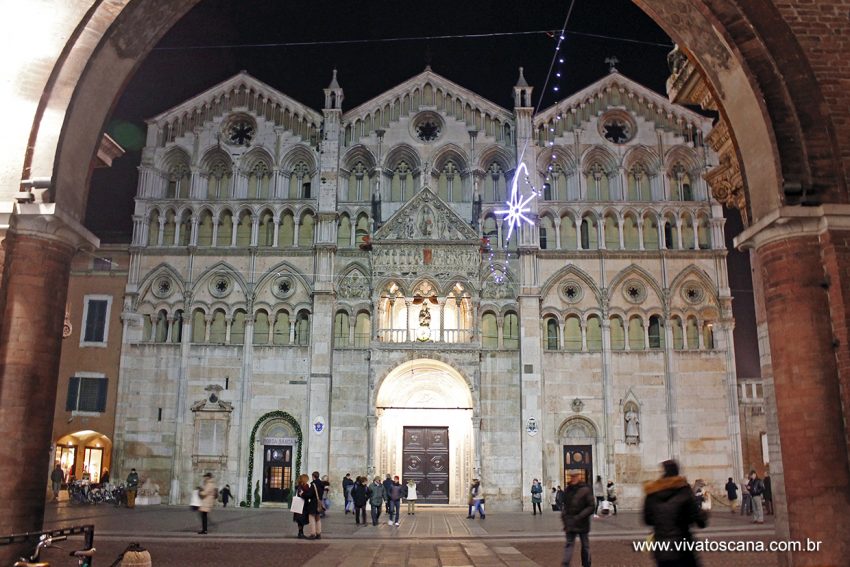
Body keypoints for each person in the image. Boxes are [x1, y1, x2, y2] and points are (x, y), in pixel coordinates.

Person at [643, 459, 707, 567]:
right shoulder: (684, 490)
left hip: (661, 548)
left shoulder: (652, 492)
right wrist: (703, 514)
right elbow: (699, 520)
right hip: (682, 548)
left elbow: (647, 520)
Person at [560, 471, 595, 567]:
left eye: (575, 476)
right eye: (572, 476)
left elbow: (591, 507)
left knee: (585, 546)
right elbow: (565, 507)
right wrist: (565, 519)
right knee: (569, 544)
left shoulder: (586, 489)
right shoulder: (568, 490)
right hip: (570, 523)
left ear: (579, 477)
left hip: (582, 523)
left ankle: (586, 564)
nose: (573, 478)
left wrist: (579, 516)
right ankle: (566, 564)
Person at [293, 474, 310, 538]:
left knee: (300, 519)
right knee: (301, 519)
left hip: (301, 504)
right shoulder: (303, 486)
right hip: (302, 504)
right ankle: (300, 533)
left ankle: (301, 532)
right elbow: (303, 495)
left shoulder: (300, 486)